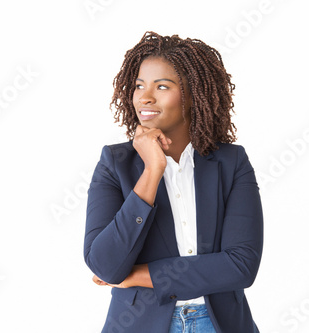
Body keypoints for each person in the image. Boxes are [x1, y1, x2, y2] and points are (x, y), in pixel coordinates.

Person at [83, 31, 263, 333]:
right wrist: (153, 170)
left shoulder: (232, 163)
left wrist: (138, 275)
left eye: (161, 86)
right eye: (139, 85)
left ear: (193, 95)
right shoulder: (115, 164)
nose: (145, 96)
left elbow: (241, 266)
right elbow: (104, 264)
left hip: (219, 323)